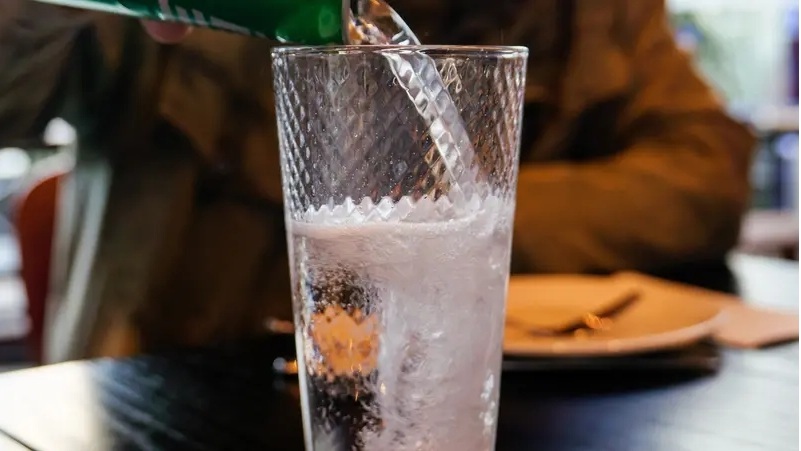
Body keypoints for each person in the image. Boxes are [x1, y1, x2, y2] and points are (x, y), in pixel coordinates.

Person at [0, 0, 754, 362]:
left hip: (490, 398)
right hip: (163, 400)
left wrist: (446, 231)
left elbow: (707, 172)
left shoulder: (590, 14)